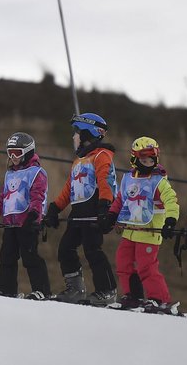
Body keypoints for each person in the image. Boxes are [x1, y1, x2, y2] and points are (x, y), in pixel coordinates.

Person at [43, 113, 118, 306]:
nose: (73, 137)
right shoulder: (79, 161)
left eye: (76, 133)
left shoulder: (101, 156)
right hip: (78, 213)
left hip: (94, 211)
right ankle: (76, 289)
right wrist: (54, 209)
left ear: (87, 133)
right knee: (65, 248)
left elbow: (105, 182)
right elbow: (69, 189)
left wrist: (105, 207)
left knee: (93, 250)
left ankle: (107, 290)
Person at [104, 136, 180, 313]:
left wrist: (170, 220)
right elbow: (121, 199)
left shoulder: (158, 181)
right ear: (135, 159)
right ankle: (132, 296)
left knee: (147, 266)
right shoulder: (128, 178)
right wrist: (111, 215)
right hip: (129, 230)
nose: (148, 163)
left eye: (151, 160)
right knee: (123, 263)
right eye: (144, 160)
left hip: (149, 231)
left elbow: (171, 201)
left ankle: (159, 299)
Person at [0, 132, 50, 299]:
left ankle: (42, 290)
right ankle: (6, 289)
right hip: (10, 224)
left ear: (27, 152)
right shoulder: (10, 173)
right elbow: (4, 198)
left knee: (30, 257)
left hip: (27, 224)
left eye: (17, 153)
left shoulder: (36, 173)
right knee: (7, 257)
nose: (13, 156)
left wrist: (33, 216)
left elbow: (37, 197)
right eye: (10, 152)